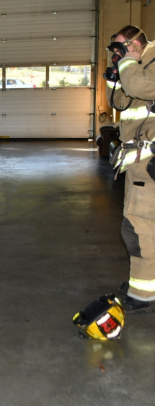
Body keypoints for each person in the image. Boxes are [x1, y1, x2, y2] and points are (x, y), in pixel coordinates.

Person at [106, 26, 155, 313]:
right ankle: (146, 281)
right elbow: (122, 101)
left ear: (136, 44)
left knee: (138, 226)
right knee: (144, 223)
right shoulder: (137, 66)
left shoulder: (148, 62)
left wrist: (127, 63)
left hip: (147, 159)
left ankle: (143, 293)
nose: (118, 55)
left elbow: (139, 88)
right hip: (137, 160)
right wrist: (117, 77)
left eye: (121, 49)